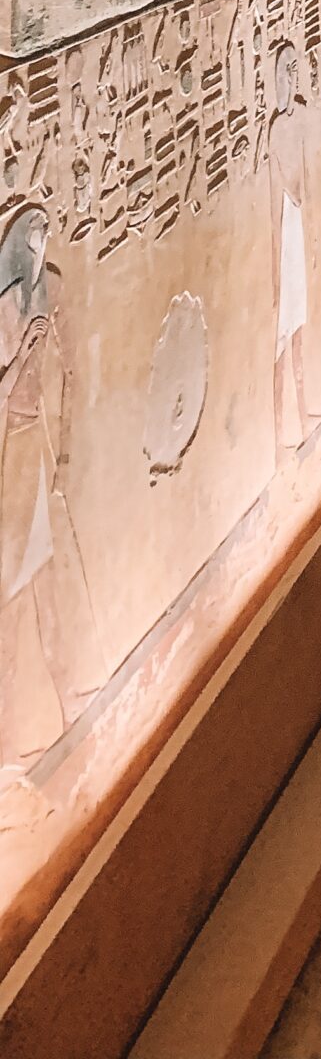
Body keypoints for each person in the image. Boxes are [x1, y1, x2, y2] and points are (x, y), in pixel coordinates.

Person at [0, 204, 99, 779]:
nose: (42, 247)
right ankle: (11, 737)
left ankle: (70, 697)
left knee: (50, 577)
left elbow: (72, 369)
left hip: (35, 449)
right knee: (16, 592)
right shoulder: (7, 309)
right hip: (13, 454)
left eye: (47, 237)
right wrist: (18, 357)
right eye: (34, 237)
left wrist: (63, 448)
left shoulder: (47, 292)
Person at [266, 42, 318, 449]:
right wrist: (273, 269)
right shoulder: (278, 128)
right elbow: (278, 195)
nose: (295, 75)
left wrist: (312, 231)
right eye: (290, 70)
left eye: (297, 69)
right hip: (285, 228)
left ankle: (301, 416)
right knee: (282, 336)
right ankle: (279, 426)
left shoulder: (297, 121)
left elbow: (308, 180)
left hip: (297, 226)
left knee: (299, 327)